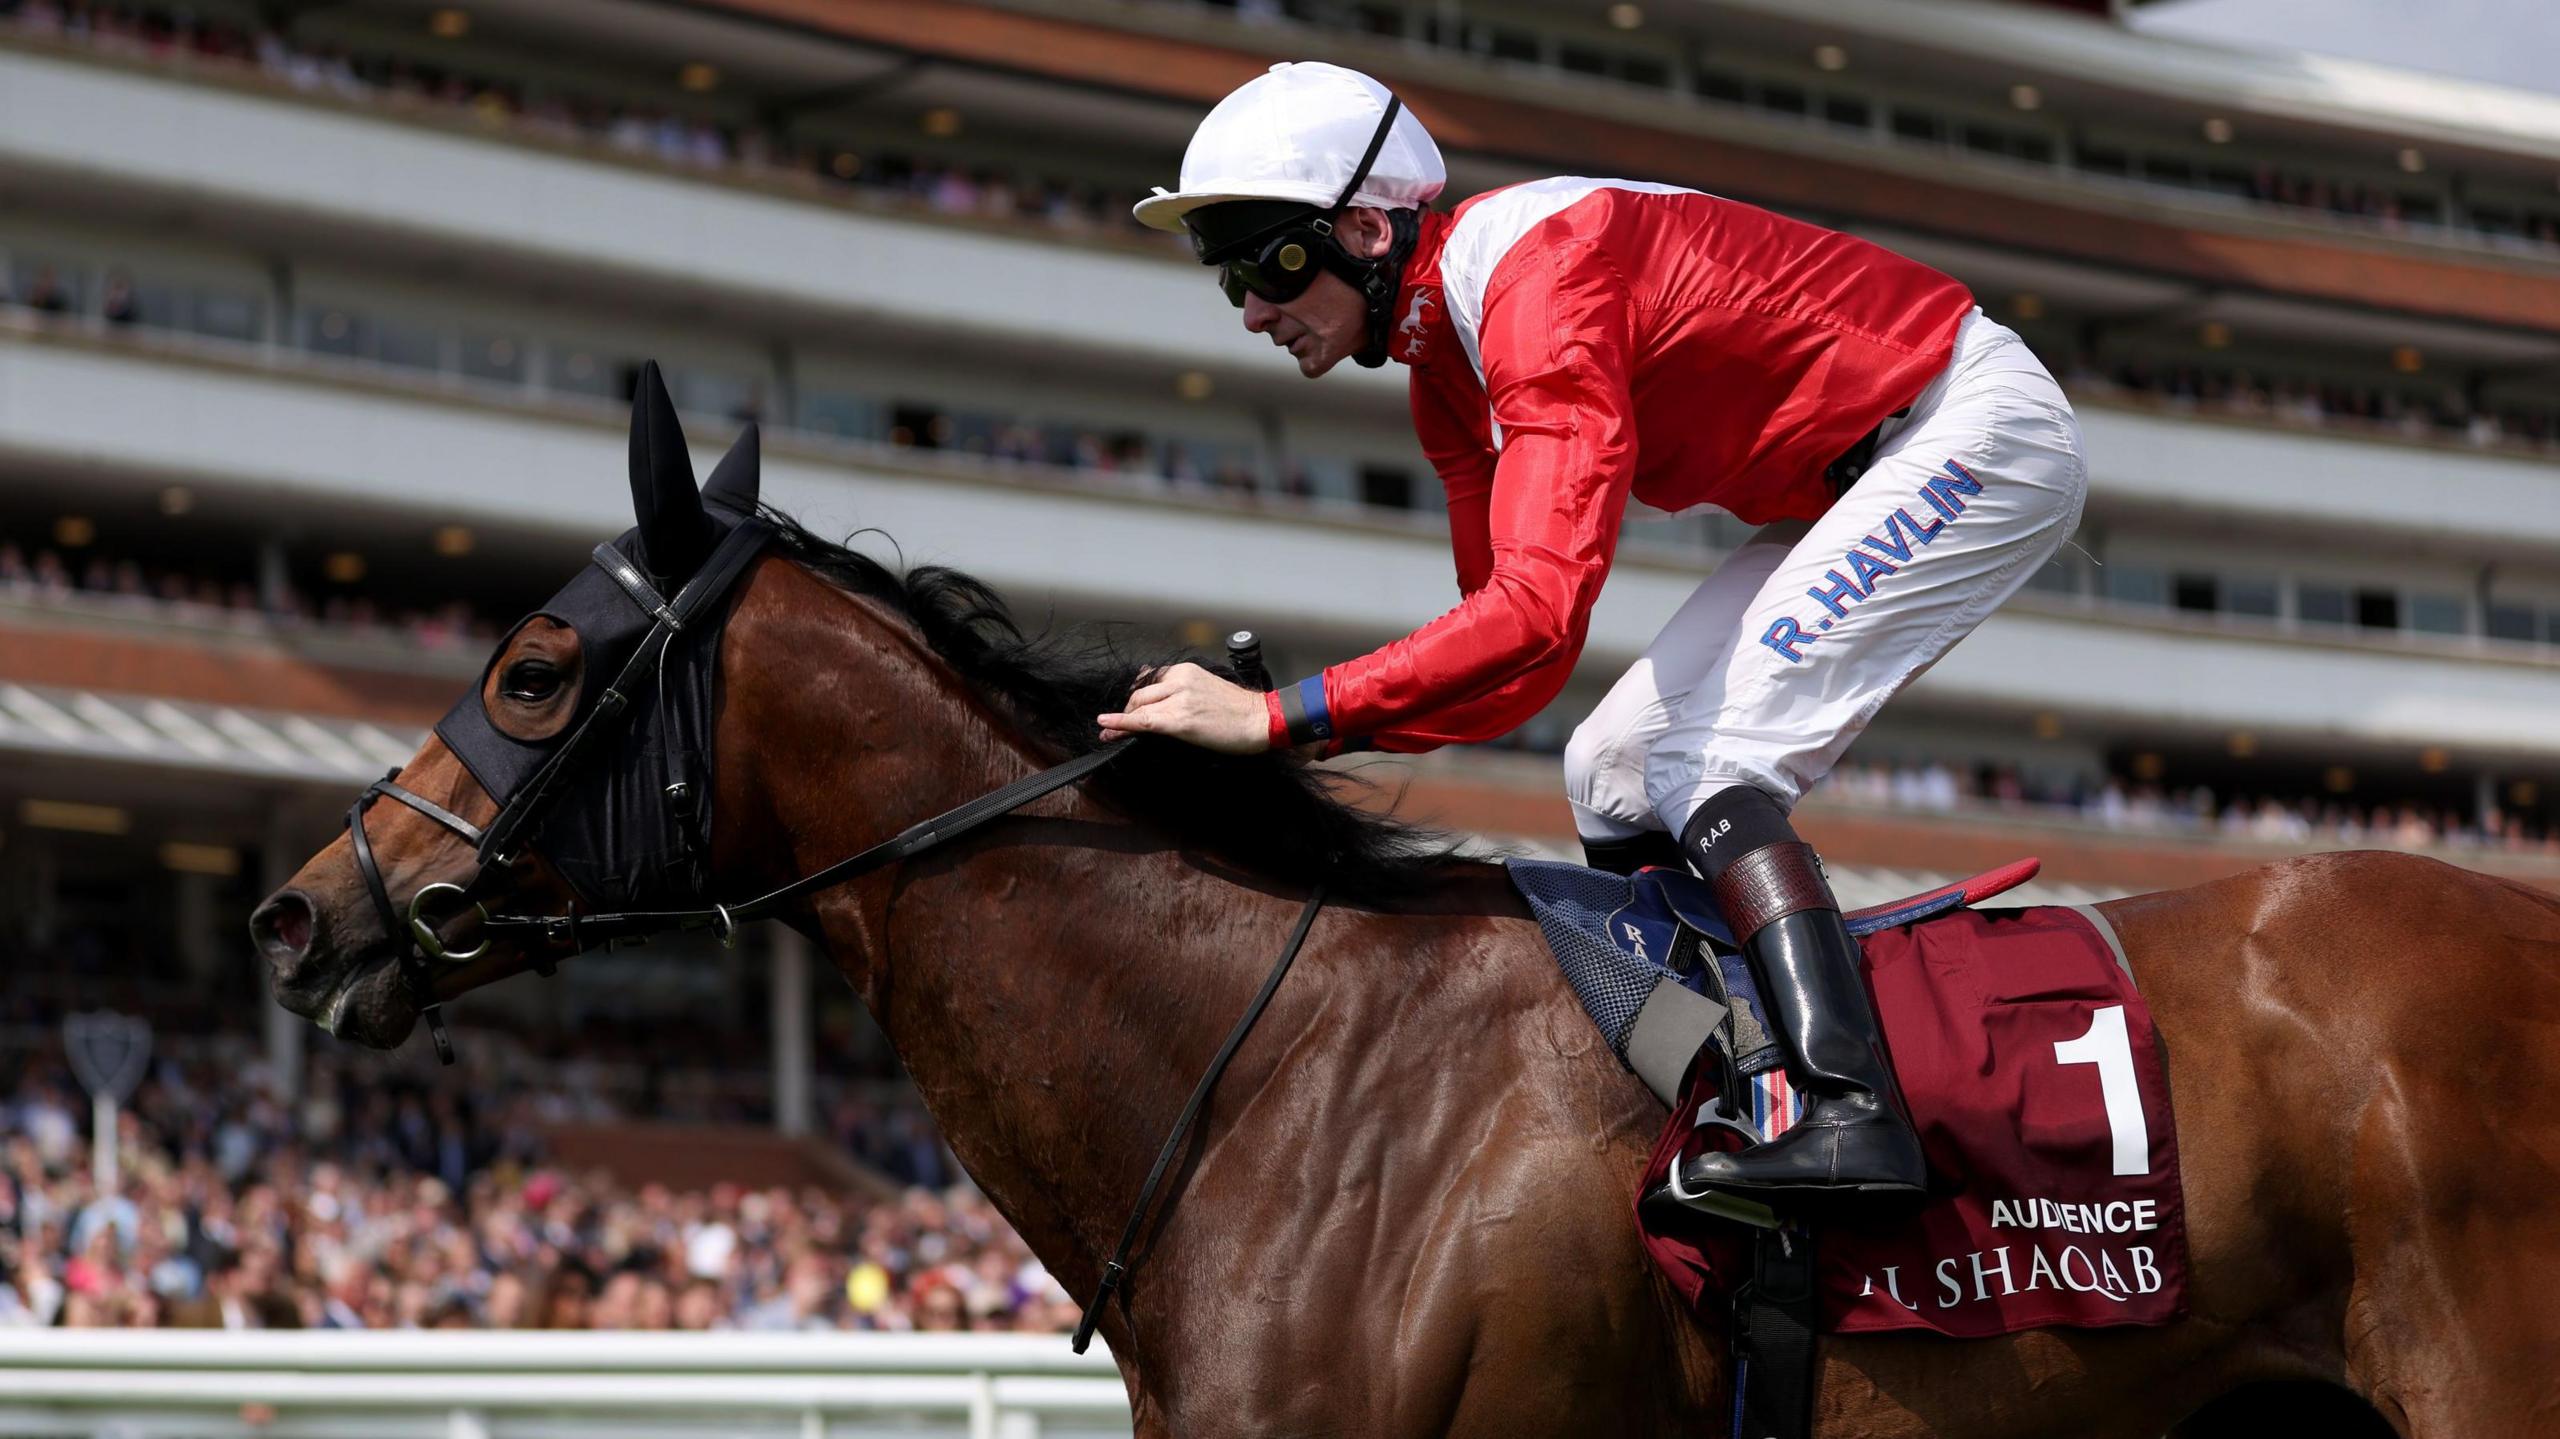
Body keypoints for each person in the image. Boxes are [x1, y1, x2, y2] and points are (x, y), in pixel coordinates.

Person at [1101, 62, 2089, 1207]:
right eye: (1227, 278)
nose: (1251, 311)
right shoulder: (1444, 376)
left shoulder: (1539, 280)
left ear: (1368, 229)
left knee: (1709, 763)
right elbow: (1516, 669)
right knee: (1608, 770)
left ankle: (1853, 1109)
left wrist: (1278, 711)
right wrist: (1288, 738)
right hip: (1861, 472)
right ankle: (1728, 1082)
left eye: (1268, 265)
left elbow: (1531, 612)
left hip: (1971, 429)